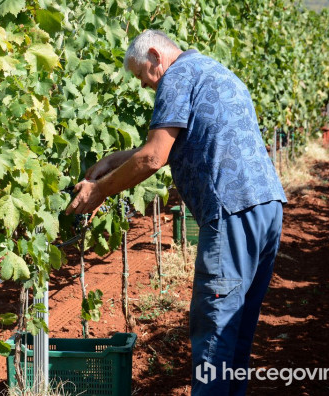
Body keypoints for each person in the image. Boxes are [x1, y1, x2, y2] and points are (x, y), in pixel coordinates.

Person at [66, 30, 287, 395]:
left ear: (156, 55)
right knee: (238, 326)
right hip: (266, 207)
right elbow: (169, 144)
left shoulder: (176, 75)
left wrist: (98, 190)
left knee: (215, 333)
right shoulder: (212, 71)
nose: (147, 87)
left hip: (231, 211)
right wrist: (112, 161)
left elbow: (154, 156)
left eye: (143, 76)